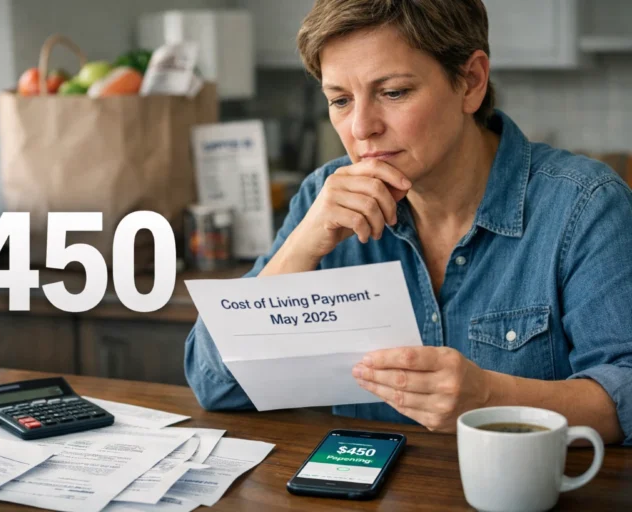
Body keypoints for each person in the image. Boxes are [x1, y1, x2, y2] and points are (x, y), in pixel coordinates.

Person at [184, 0, 632, 445]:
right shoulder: (323, 198)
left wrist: (490, 397)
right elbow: (214, 384)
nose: (361, 128)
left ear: (471, 82)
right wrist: (299, 248)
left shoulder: (585, 206)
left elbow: (626, 390)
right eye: (340, 100)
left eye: (394, 92)